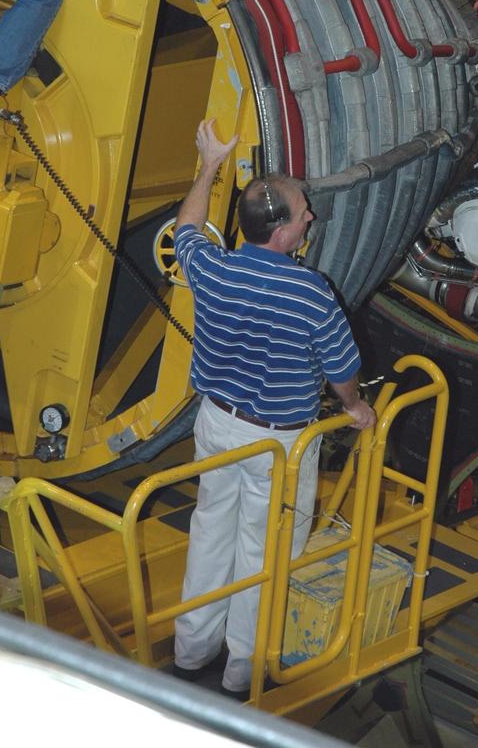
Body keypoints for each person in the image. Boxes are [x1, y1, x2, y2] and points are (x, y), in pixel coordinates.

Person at [172, 119, 376, 696]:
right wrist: (356, 408)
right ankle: (242, 670)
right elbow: (341, 369)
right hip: (277, 445)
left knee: (210, 531)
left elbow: (186, 228)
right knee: (265, 552)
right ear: (282, 230)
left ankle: (191, 651)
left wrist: (209, 165)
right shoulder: (310, 293)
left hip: (216, 423)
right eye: (304, 211)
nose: (311, 217)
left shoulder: (212, 268)